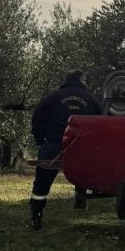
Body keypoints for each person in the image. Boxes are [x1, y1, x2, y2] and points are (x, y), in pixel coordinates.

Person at [29, 69, 102, 230]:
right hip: (81, 148)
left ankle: (36, 214)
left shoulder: (52, 97)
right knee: (82, 173)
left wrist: (40, 140)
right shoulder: (91, 99)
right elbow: (101, 123)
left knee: (42, 182)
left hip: (53, 145)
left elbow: (37, 118)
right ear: (82, 80)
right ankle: (81, 197)